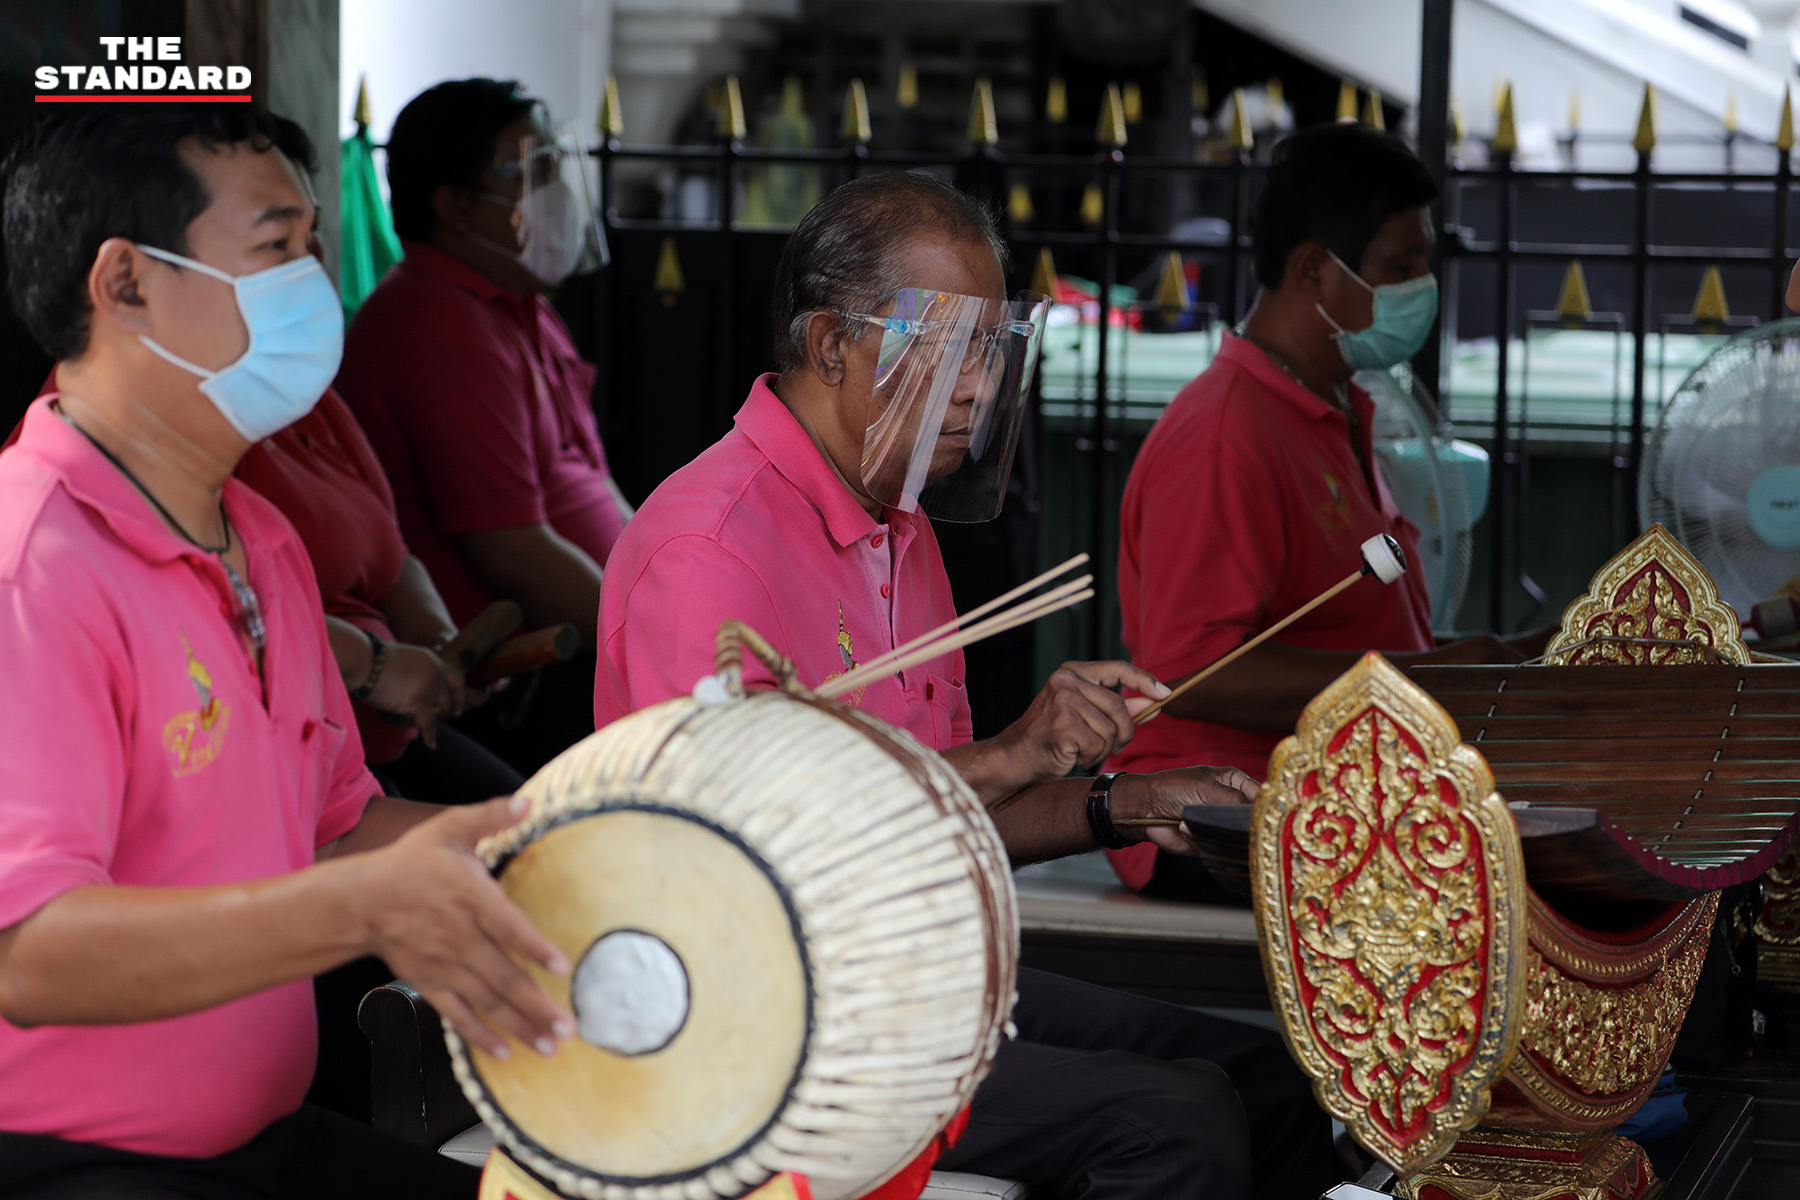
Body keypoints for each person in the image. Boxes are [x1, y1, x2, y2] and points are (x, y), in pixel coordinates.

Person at [595, 172, 1340, 1200]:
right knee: (1173, 1121)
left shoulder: (898, 525)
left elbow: (946, 810)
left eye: (992, 348)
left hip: (910, 975)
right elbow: (746, 852)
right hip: (767, 1023)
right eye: (948, 345)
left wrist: (1128, 802)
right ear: (829, 346)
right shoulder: (709, 546)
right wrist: (1012, 751)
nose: (982, 387)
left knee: (1270, 1079)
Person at [0, 104, 571, 1199]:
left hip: (261, 1144)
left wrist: (584, 833)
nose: (314, 284)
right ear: (123, 284)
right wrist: (362, 912)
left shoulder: (260, 540)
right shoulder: (34, 564)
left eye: (314, 245)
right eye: (277, 249)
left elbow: (340, 824)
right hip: (72, 1168)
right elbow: (28, 953)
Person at [1111, 123, 1517, 898]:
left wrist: (1516, 658)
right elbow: (1190, 670)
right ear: (1312, 272)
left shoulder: (1338, 407)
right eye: (1402, 267)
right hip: (1216, 819)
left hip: (1342, 804)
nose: (1423, 288)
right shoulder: (1225, 434)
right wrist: (1419, 681)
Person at [337, 78, 627, 774]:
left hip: (585, 641)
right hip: (514, 679)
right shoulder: (442, 328)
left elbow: (590, 485)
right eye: (530, 173)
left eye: (556, 165)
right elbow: (515, 553)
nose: (553, 189)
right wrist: (649, 637)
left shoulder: (516, 303)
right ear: (455, 205)